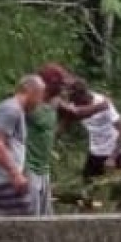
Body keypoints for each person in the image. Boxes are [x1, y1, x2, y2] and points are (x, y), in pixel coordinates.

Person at [0, 75, 46, 217]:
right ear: (29, 91)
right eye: (40, 96)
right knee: (26, 222)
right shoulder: (11, 110)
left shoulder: (9, 108)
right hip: (3, 180)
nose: (40, 102)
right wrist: (15, 174)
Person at [60, 79, 121, 209]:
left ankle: (120, 216)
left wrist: (112, 158)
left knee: (117, 195)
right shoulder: (74, 104)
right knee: (88, 192)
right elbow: (65, 122)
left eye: (77, 102)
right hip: (95, 152)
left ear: (84, 95)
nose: (76, 105)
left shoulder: (103, 103)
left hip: (116, 152)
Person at [26, 64, 73, 216]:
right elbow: (43, 119)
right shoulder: (32, 105)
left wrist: (67, 118)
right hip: (27, 167)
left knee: (47, 219)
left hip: (43, 168)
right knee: (30, 219)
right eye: (60, 85)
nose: (62, 89)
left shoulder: (50, 106)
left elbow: (51, 134)